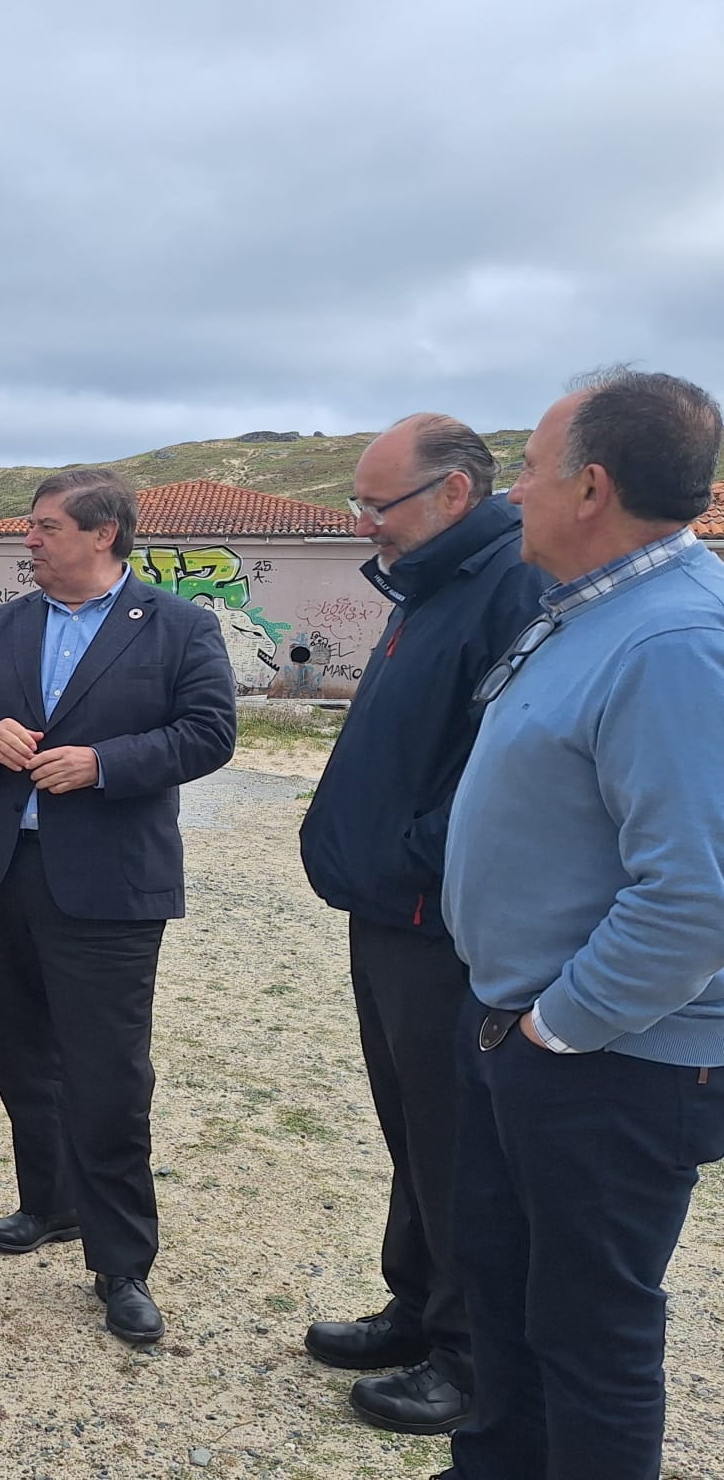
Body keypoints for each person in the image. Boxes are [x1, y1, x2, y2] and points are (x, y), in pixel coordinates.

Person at [439, 368, 724, 1480]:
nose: (513, 493)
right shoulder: (593, 616)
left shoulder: (674, 644)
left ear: (591, 485)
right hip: (525, 1027)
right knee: (508, 1303)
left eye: (525, 469)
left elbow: (698, 891)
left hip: (607, 1059)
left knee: (588, 1334)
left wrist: (562, 1024)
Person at [0, 467, 234, 1344]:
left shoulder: (179, 626)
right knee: (22, 1052)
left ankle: (123, 1261)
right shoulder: (2, 624)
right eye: (31, 526)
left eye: (47, 526)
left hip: (108, 883)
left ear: (104, 535)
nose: (30, 539)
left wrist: (105, 765)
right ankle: (49, 1204)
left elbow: (210, 733)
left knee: (108, 1071)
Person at [295, 417, 548, 1436]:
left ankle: (468, 1358)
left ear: (450, 495)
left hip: (437, 919)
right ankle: (415, 1306)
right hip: (386, 911)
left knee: (456, 1147)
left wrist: (410, 852)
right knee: (412, 1132)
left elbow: (504, 767)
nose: (365, 523)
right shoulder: (431, 584)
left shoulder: (510, 587)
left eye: (378, 504)